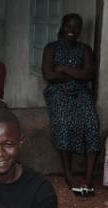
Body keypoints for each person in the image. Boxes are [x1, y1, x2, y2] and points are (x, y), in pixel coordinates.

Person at [42, 13, 100, 196]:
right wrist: (78, 72)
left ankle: (89, 178)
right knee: (64, 122)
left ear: (80, 29)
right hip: (58, 91)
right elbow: (49, 75)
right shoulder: (51, 48)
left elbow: (90, 75)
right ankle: (68, 173)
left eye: (76, 27)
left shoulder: (85, 49)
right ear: (63, 26)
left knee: (91, 124)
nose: (72, 30)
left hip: (81, 92)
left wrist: (65, 69)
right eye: (69, 26)